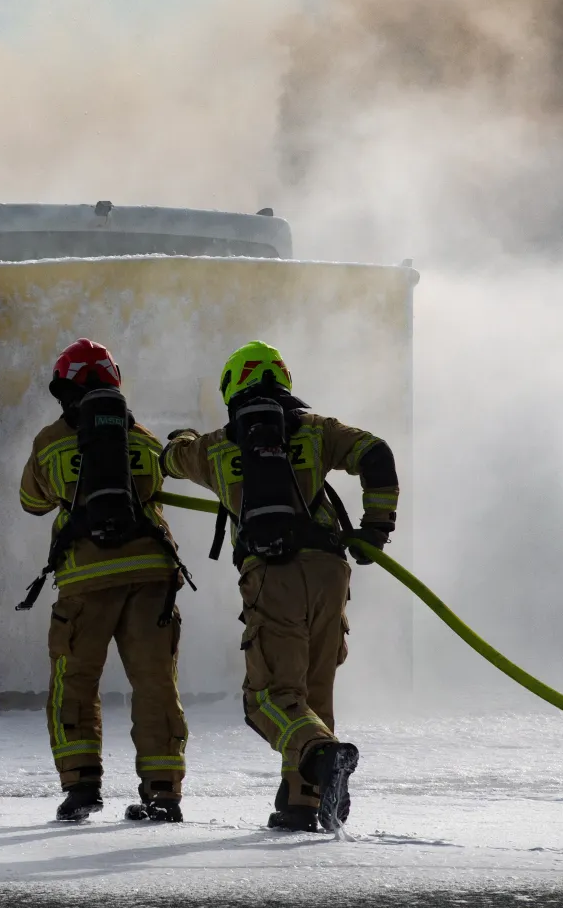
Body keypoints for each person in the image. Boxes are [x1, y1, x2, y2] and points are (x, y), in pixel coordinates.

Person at [161, 340, 399, 833]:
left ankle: (321, 754)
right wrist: (375, 526)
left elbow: (170, 460)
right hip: (332, 571)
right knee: (314, 690)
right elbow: (376, 453)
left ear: (234, 387)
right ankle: (302, 805)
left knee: (267, 695)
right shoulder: (317, 431)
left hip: (274, 573)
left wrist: (179, 437)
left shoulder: (219, 446)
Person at [18, 338, 192, 823]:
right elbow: (157, 489)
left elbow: (31, 502)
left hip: (86, 579)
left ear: (64, 388)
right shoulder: (144, 438)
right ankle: (163, 791)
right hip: (152, 579)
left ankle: (81, 789)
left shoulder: (50, 442)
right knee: (155, 684)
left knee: (74, 683)